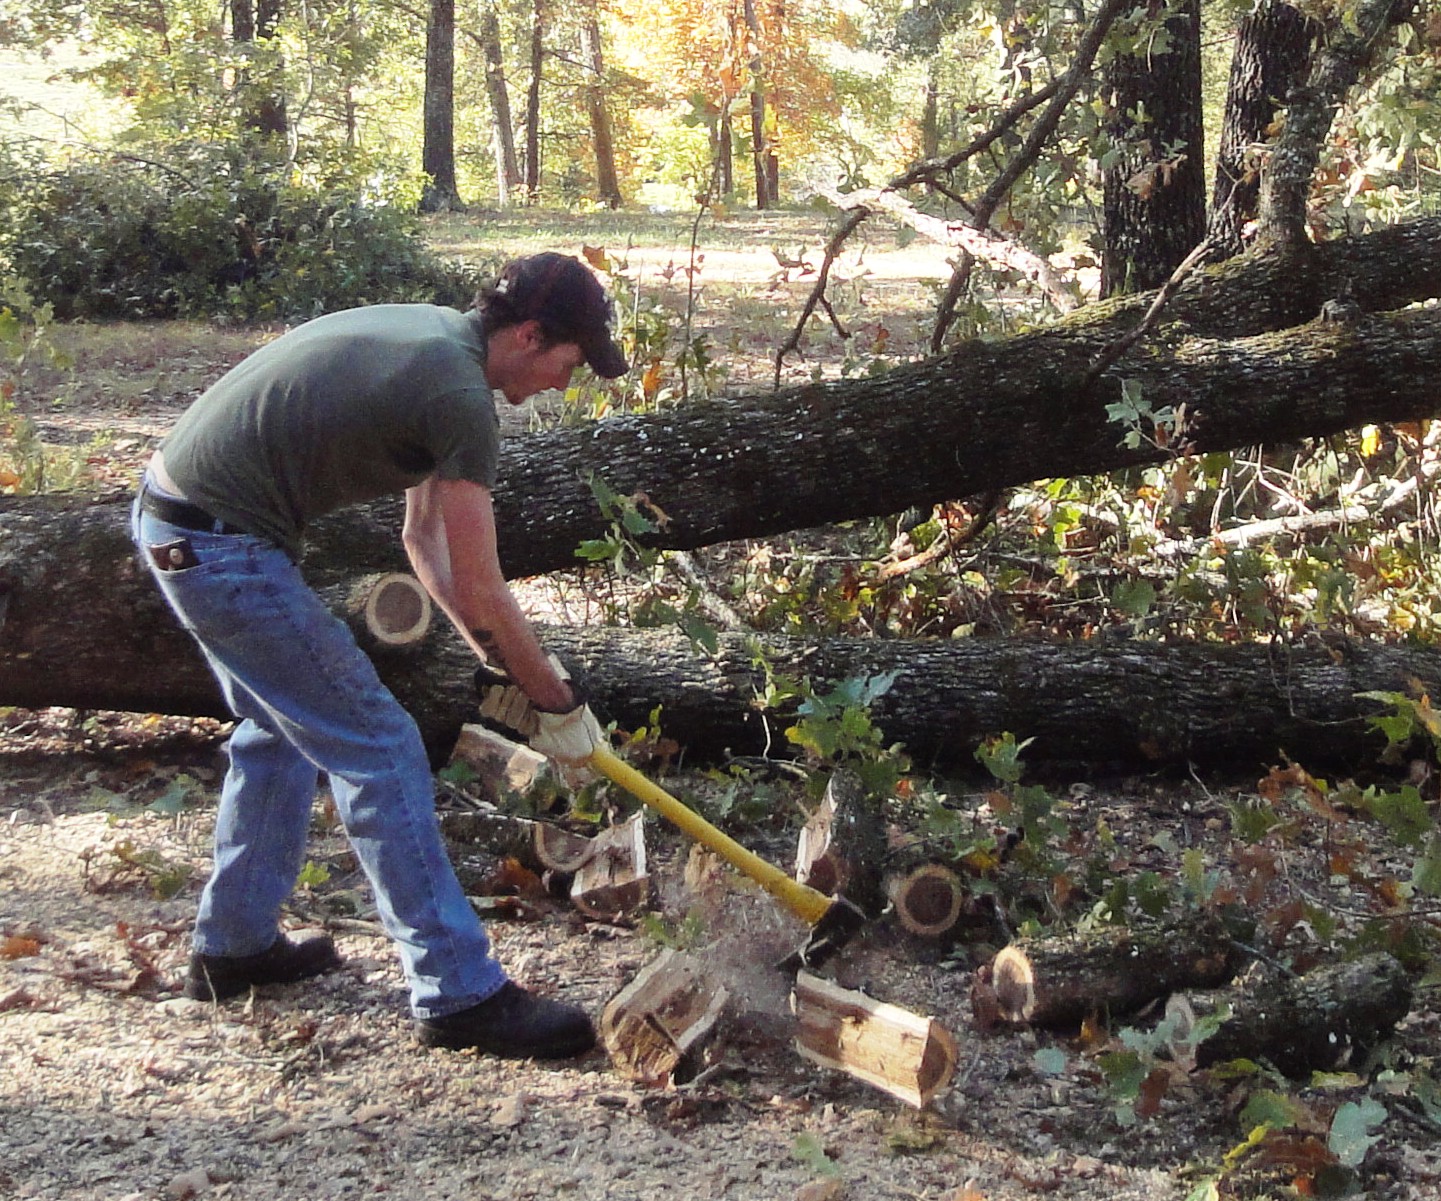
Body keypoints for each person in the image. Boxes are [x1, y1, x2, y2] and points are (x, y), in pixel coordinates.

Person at [130, 253, 625, 1059]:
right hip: (217, 547)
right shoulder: (458, 394)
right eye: (567, 363)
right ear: (531, 335)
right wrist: (558, 701)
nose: (564, 384)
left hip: (177, 521)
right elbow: (485, 584)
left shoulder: (439, 345)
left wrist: (501, 671)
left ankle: (234, 946)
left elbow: (422, 543)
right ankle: (459, 992)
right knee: (381, 744)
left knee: (278, 728)